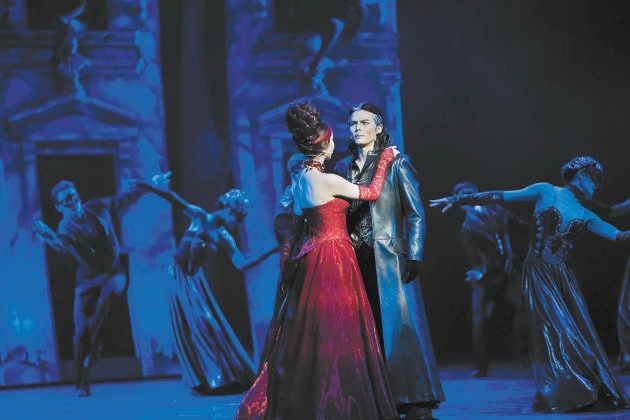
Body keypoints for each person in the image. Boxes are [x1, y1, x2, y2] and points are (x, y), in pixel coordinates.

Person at [237, 101, 400, 419]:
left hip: (311, 260)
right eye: (333, 139)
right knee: (339, 331)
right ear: (324, 145)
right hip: (334, 259)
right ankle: (338, 404)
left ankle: (315, 400)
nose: (337, 143)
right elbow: (371, 192)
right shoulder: (327, 180)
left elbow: (295, 229)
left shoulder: (300, 181)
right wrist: (385, 159)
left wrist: (287, 268)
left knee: (315, 333)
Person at [430, 156, 630, 413]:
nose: (597, 185)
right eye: (594, 179)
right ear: (580, 174)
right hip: (538, 271)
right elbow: (500, 195)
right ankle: (569, 388)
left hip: (564, 277)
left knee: (575, 330)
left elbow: (619, 236)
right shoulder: (546, 191)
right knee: (560, 328)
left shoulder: (586, 213)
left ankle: (581, 386)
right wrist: (459, 199)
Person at [334, 102, 445, 420]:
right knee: (364, 330)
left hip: (390, 258)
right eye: (353, 123)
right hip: (353, 258)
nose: (357, 128)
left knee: (402, 330)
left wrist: (415, 254)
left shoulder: (396, 162)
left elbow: (415, 213)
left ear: (379, 127)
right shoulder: (342, 167)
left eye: (364, 122)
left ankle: (416, 400)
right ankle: (376, 400)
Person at [33, 171, 171, 397]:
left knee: (107, 294)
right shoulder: (64, 229)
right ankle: (82, 381)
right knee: (80, 333)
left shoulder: (97, 207)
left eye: (73, 194)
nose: (72, 200)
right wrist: (55, 243)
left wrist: (149, 185)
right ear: (59, 207)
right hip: (87, 280)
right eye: (66, 199)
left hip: (114, 273)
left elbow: (123, 199)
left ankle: (95, 342)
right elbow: (78, 258)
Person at [136, 183, 278, 395]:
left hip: (195, 280)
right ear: (228, 209)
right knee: (195, 326)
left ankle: (221, 377)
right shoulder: (200, 217)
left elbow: (241, 264)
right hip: (177, 275)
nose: (236, 223)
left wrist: (270, 251)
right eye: (237, 217)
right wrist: (145, 185)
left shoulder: (224, 236)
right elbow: (172, 197)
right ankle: (207, 380)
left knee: (210, 326)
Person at [450, 181, 528, 378]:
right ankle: (481, 365)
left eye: (470, 192)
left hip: (507, 271)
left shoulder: (496, 211)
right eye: (463, 194)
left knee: (523, 307)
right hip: (484, 278)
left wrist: (542, 228)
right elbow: (473, 255)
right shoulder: (467, 227)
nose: (468, 195)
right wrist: (478, 273)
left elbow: (518, 226)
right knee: (479, 321)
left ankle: (519, 348)